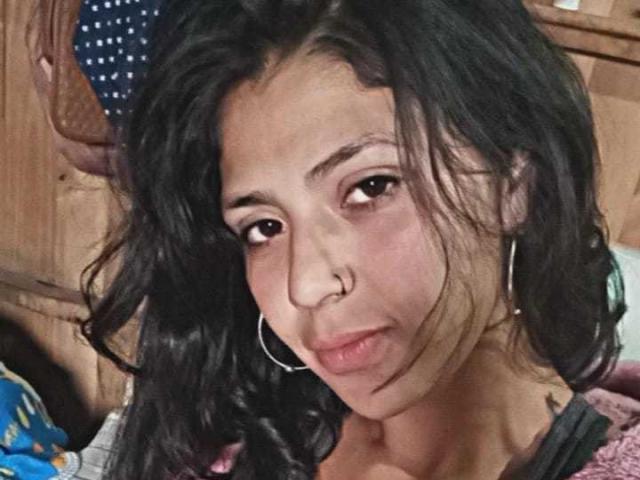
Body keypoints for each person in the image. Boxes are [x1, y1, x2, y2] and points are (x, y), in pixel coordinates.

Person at [80, 1, 634, 479]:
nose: (305, 285)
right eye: (264, 227)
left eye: (371, 187)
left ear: (514, 187)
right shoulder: (231, 430)